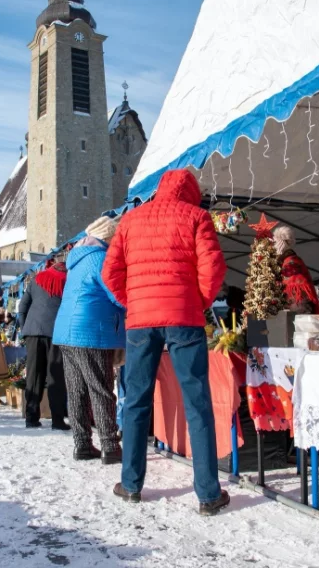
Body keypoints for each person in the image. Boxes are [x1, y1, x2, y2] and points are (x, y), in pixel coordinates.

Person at [102, 168, 230, 516]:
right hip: (184, 319)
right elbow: (214, 267)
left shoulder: (130, 220)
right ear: (190, 192)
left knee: (137, 401)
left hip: (140, 323)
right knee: (197, 402)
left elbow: (109, 273)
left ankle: (130, 485)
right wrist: (197, 301)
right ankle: (207, 494)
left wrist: (135, 302)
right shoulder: (197, 216)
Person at [53, 216, 125, 463]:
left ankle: (82, 444)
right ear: (108, 238)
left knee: (76, 391)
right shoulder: (101, 259)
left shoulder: (77, 260)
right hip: (91, 331)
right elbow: (117, 294)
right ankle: (110, 446)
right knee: (100, 388)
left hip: (66, 332)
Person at [18, 259, 69, 430]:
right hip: (57, 334)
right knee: (56, 376)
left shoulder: (37, 280)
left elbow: (23, 306)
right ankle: (57, 420)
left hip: (33, 332)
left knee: (33, 375)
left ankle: (31, 417)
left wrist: (26, 328)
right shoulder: (66, 281)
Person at [272, 226, 319, 314]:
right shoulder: (288, 261)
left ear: (281, 243)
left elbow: (295, 294)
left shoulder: (291, 262)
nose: (273, 246)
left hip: (299, 311)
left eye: (275, 242)